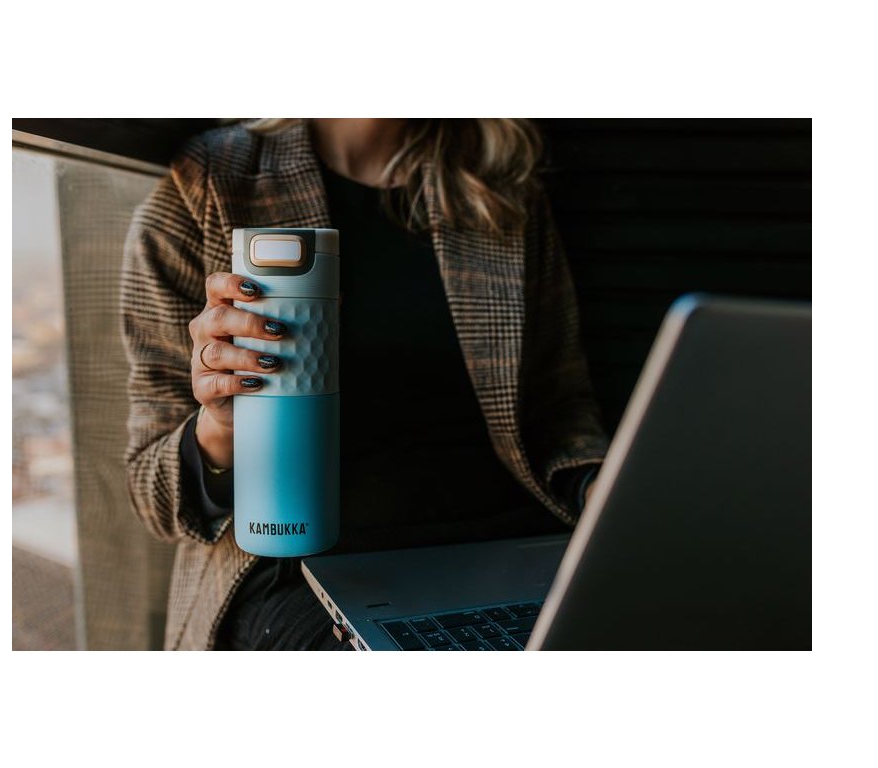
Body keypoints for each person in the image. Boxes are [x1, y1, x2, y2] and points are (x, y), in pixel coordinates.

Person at [120, 118, 609, 650]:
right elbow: (153, 494)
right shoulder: (209, 182)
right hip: (296, 568)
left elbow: (559, 408)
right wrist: (222, 427)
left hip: (506, 543)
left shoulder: (497, 187)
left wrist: (604, 490)